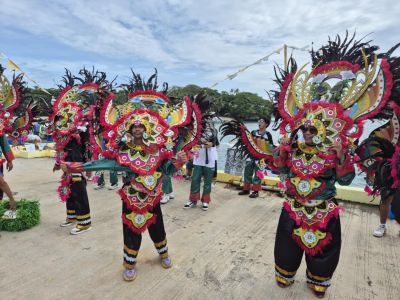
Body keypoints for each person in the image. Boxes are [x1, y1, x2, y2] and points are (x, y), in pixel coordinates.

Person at [184, 118, 218, 211]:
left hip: (210, 159)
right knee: (195, 179)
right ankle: (193, 200)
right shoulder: (195, 131)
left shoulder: (214, 131)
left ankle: (205, 200)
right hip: (198, 158)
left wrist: (212, 144)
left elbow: (217, 144)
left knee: (207, 181)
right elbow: (190, 143)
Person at [238, 117, 273, 198]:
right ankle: (246, 189)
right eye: (259, 121)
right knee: (247, 171)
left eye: (262, 121)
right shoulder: (253, 132)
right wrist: (245, 130)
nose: (259, 123)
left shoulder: (268, 134)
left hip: (262, 158)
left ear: (266, 124)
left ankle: (255, 191)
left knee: (258, 174)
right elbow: (248, 141)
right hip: (251, 156)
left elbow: (270, 148)